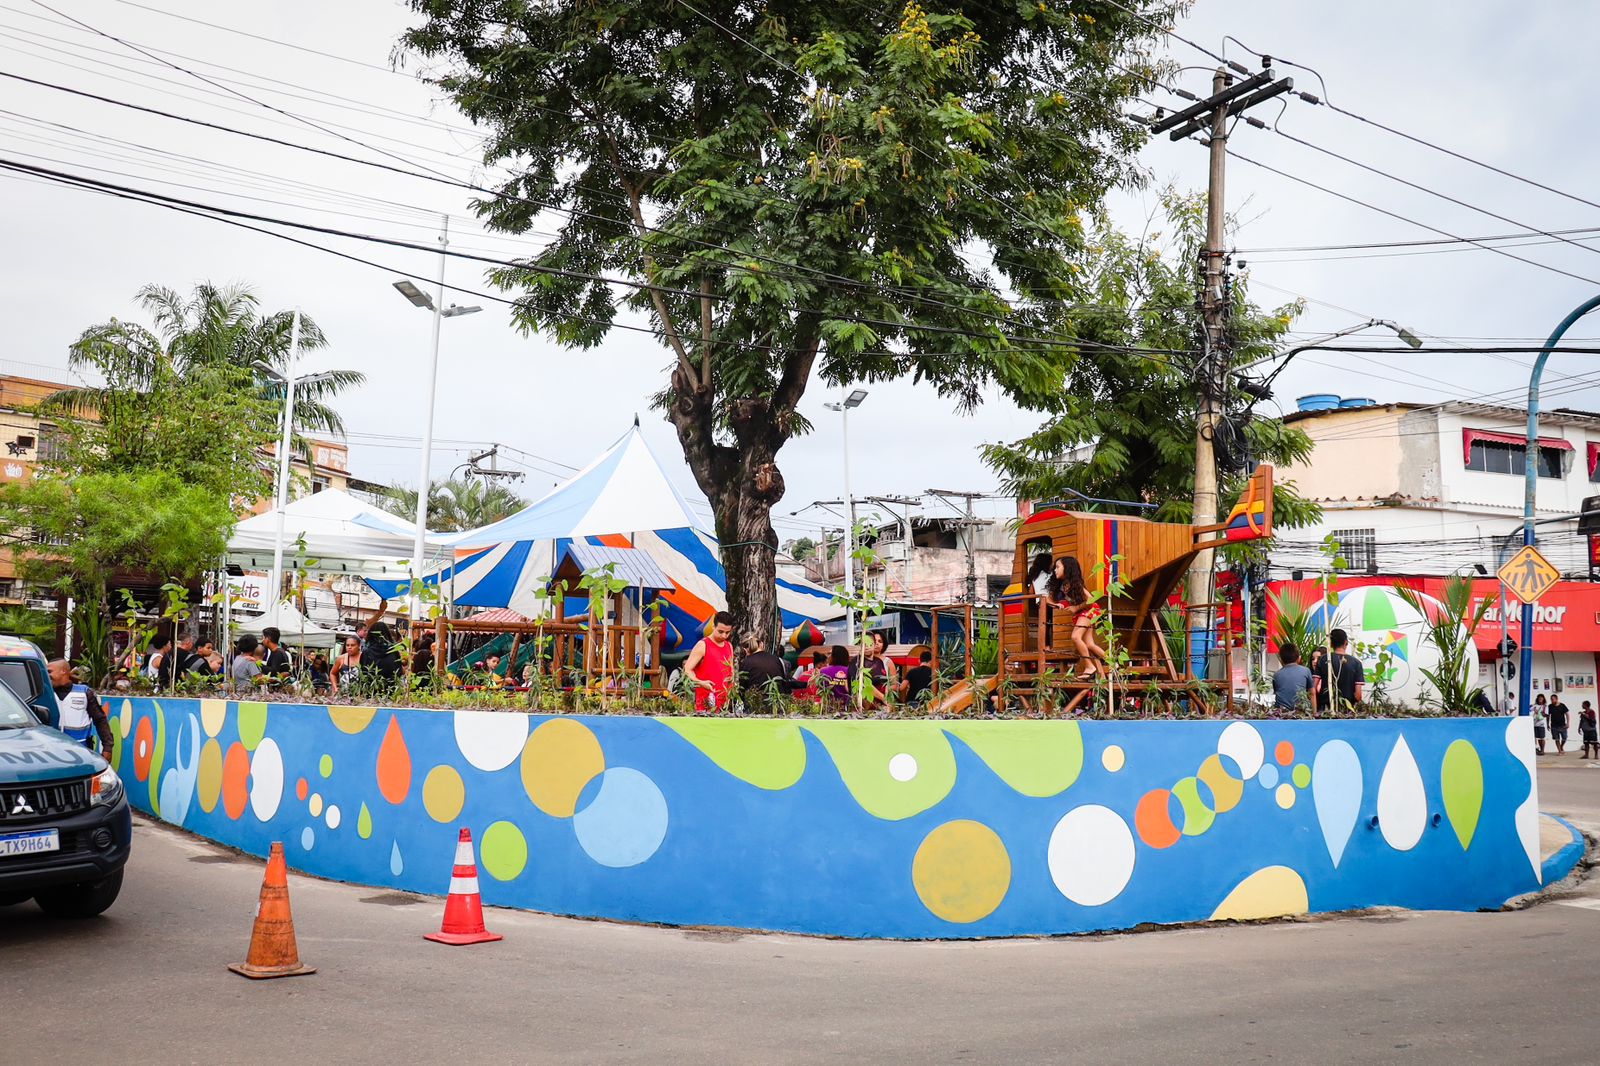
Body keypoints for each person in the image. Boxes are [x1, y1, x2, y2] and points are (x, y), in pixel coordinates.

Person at [1048, 556, 1106, 679]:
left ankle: (1090, 666)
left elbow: (1091, 599)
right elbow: (1058, 600)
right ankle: (1113, 663)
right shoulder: (1064, 585)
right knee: (1089, 644)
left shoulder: (1075, 583)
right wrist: (1059, 604)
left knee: (1075, 636)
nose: (1055, 570)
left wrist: (1076, 608)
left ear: (1067, 568)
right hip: (1085, 612)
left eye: (1058, 567)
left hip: (1089, 610)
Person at [47, 658, 113, 757]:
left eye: (49, 672)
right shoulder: (46, 694)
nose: (47, 675)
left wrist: (108, 748)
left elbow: (100, 720)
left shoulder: (85, 692)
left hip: (82, 752)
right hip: (53, 752)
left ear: (63, 671)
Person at [684, 611, 736, 713]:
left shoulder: (729, 646)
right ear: (713, 627)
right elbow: (687, 669)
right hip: (705, 702)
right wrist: (701, 683)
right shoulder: (703, 645)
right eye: (720, 632)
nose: (724, 636)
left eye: (727, 632)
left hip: (725, 703)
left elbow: (731, 670)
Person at [738, 635, 796, 713]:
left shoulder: (746, 662)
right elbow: (782, 682)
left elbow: (742, 687)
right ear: (762, 645)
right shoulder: (776, 660)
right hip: (775, 703)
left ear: (746, 650)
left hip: (754, 705)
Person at [1312, 629, 1364, 711]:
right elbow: (1358, 695)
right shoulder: (1356, 663)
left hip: (1325, 709)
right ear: (1346, 642)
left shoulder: (1323, 659)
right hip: (1348, 710)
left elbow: (1313, 688)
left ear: (1331, 644)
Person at [850, 631, 897, 706]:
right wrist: (883, 698)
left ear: (874, 645)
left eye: (869, 644)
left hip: (881, 706)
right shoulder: (856, 661)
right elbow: (862, 683)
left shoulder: (879, 661)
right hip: (863, 706)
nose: (867, 647)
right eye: (864, 644)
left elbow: (888, 683)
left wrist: (888, 698)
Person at [1272, 642, 1315, 713]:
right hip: (1301, 711)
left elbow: (1277, 692)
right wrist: (1314, 713)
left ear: (1281, 660)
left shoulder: (1276, 675)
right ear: (1299, 658)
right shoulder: (1306, 671)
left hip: (1281, 713)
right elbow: (1312, 693)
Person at [816, 645, 853, 709]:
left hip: (828, 707)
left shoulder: (823, 671)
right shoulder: (850, 671)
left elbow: (819, 688)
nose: (828, 657)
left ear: (835, 656)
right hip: (847, 707)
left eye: (830, 654)